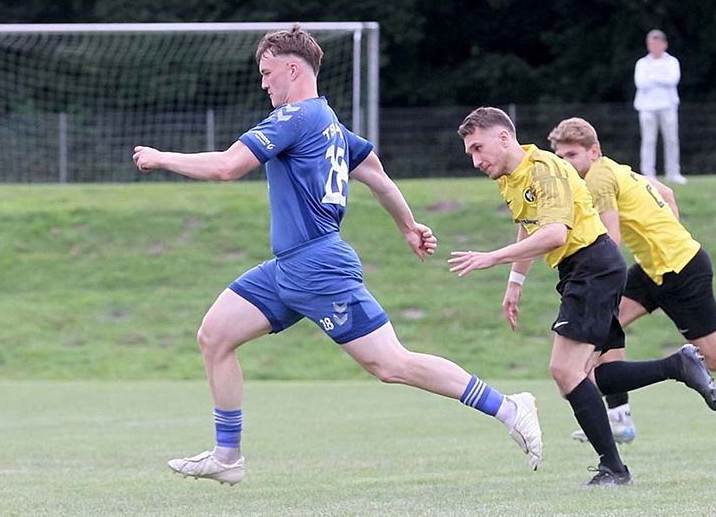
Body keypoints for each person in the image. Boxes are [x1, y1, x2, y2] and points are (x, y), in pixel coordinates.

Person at [131, 26, 543, 486]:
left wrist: (162, 158)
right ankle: (228, 456)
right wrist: (408, 226)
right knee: (214, 336)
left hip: (319, 266)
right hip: (287, 266)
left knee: (391, 364)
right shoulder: (332, 126)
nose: (263, 83)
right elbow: (381, 179)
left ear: (292, 68)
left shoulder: (295, 118)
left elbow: (229, 167)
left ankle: (509, 407)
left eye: (267, 73)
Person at [451, 107, 716, 486]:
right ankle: (677, 366)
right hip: (583, 268)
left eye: (479, 148)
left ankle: (614, 468)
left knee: (564, 371)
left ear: (504, 138)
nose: (476, 160)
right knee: (593, 376)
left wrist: (491, 257)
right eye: (470, 153)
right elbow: (530, 229)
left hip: (592, 264)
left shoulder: (544, 169)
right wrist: (515, 283)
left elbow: (556, 233)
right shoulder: (511, 177)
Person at [547, 117, 716, 444]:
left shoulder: (598, 179)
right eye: (559, 157)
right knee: (604, 327)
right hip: (654, 268)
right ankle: (620, 419)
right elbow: (667, 193)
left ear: (593, 151)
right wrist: (664, 236)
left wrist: (667, 244)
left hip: (683, 269)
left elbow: (611, 241)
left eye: (571, 155)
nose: (564, 163)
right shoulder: (616, 168)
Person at [634, 29, 686, 185]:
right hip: (647, 107)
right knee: (648, 140)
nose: (654, 46)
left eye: (657, 43)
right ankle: (648, 174)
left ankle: (673, 172)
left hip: (668, 106)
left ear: (664, 44)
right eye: (651, 43)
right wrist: (660, 78)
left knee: (671, 139)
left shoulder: (672, 62)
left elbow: (672, 80)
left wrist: (654, 78)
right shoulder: (642, 63)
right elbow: (641, 83)